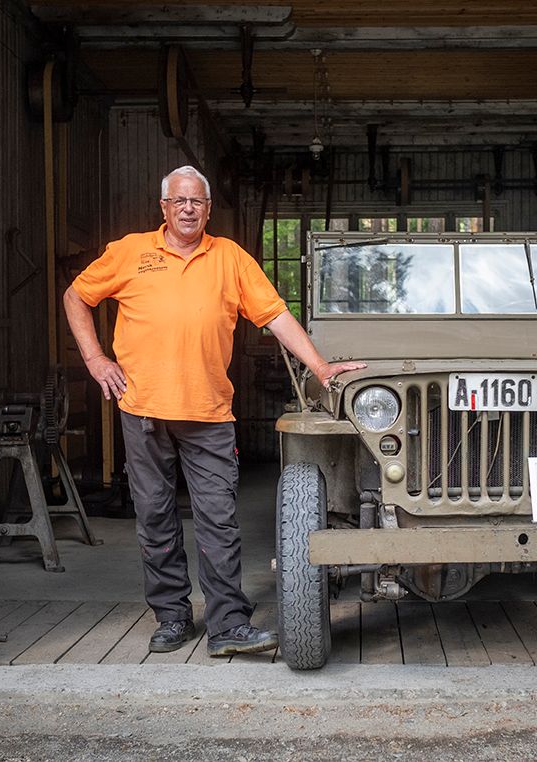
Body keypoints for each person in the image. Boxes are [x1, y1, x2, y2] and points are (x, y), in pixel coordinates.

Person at [63, 165, 365, 657]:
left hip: (208, 415)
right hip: (142, 409)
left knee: (218, 520)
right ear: (163, 207)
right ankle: (172, 617)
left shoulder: (229, 258)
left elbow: (276, 315)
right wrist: (96, 359)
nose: (188, 209)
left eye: (197, 202)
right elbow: (76, 296)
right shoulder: (129, 252)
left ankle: (227, 624)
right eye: (179, 201)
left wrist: (321, 367)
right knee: (154, 516)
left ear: (207, 209)